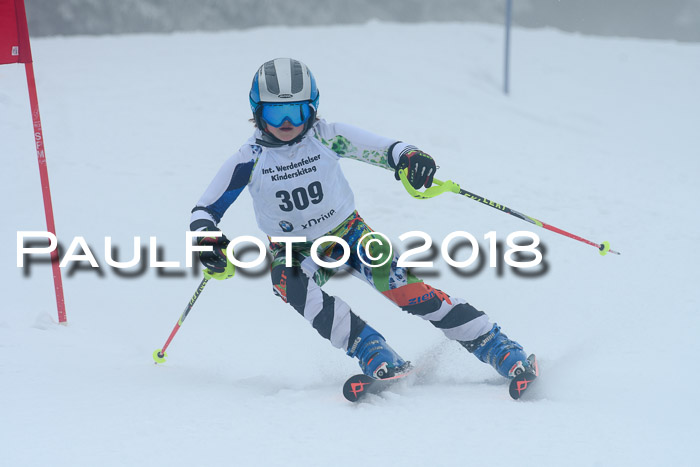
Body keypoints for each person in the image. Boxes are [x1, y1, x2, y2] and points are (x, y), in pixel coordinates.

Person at [190, 57, 535, 381]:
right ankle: (370, 349)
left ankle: (495, 344)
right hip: (292, 249)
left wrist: (409, 158)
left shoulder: (326, 136)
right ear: (257, 111)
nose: (286, 124)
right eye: (276, 112)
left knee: (404, 288)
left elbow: (385, 149)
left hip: (350, 233)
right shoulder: (249, 158)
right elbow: (205, 210)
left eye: (295, 111)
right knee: (287, 281)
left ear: (311, 108)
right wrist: (207, 238)